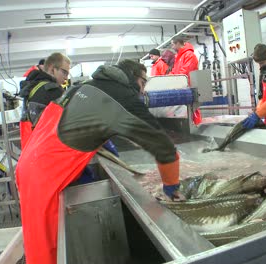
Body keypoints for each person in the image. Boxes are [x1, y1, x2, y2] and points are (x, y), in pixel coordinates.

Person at [15, 59, 184, 264]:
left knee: (41, 243)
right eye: (144, 82)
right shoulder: (125, 98)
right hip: (47, 176)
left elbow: (78, 126)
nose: (143, 90)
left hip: (30, 165)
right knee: (48, 251)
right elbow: (164, 147)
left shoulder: (86, 86)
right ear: (134, 79)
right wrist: (171, 188)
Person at [18, 52, 70, 149]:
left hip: (31, 147)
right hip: (47, 149)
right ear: (52, 69)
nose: (66, 77)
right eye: (64, 72)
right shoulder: (54, 90)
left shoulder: (34, 85)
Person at [169, 36, 201, 124]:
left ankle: (196, 127)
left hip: (189, 88)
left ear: (178, 43)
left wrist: (174, 80)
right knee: (185, 111)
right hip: (182, 87)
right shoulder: (178, 57)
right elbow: (175, 71)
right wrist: (167, 79)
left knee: (193, 110)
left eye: (172, 45)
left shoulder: (189, 55)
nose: (172, 47)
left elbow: (185, 72)